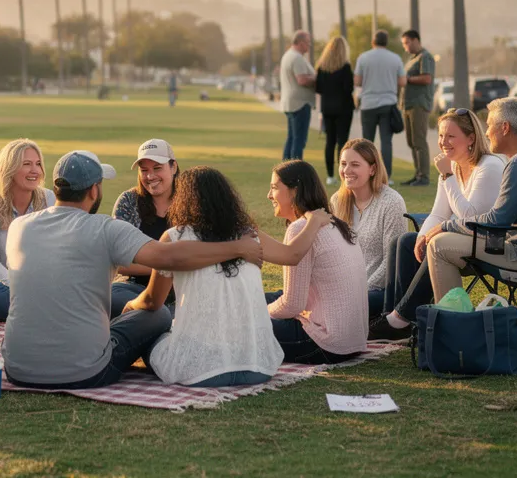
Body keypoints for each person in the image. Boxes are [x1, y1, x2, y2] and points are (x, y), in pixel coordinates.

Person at [2, 150, 264, 389]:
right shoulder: (106, 229)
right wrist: (238, 247)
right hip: (85, 371)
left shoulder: (20, 227)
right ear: (94, 190)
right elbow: (168, 258)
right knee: (158, 314)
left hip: (18, 368)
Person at [124, 167, 335, 387]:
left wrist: (131, 305)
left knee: (154, 336)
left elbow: (152, 301)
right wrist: (314, 220)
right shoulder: (249, 235)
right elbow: (291, 254)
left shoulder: (174, 236)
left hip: (202, 372)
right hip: (258, 367)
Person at [370, 100, 517, 340]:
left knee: (439, 241)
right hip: (467, 238)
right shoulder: (453, 167)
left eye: (451, 136)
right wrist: (422, 238)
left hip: (486, 243)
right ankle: (398, 318)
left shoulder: (488, 167)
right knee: (405, 241)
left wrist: (447, 176)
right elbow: (438, 213)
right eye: (441, 135)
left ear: (470, 139)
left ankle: (405, 318)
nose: (443, 142)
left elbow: (471, 217)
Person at [265, 160, 369, 363]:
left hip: (325, 344)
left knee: (242, 323)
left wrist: (260, 313)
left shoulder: (301, 228)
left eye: (275, 188)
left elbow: (292, 305)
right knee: (260, 298)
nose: (269, 195)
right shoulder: (335, 223)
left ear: (294, 191)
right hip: (353, 340)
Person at [0, 139, 55, 322]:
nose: (35, 170)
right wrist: (23, 286)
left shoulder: (49, 199)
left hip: (39, 283)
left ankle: (37, 310)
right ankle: (47, 310)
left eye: (38, 164)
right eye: (26, 164)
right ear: (9, 168)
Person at [328, 139, 408, 318]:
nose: (346, 171)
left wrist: (358, 291)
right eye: (343, 164)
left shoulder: (391, 202)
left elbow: (391, 263)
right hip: (343, 289)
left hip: (378, 291)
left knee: (333, 310)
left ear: (372, 169)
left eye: (355, 165)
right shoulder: (337, 201)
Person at [110, 139, 178, 315]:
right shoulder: (129, 201)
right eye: (144, 170)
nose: (150, 176)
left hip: (183, 289)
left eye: (157, 168)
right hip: (133, 288)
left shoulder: (191, 201)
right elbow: (118, 261)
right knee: (110, 300)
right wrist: (168, 267)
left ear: (173, 167)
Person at [353, 30, 406, 176]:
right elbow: (402, 81)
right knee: (386, 142)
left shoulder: (363, 58)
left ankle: (365, 174)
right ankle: (386, 175)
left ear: (373, 42)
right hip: (387, 104)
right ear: (386, 42)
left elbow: (357, 81)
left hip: (368, 103)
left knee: (366, 142)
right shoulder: (395, 58)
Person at [314, 36, 355, 186]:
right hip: (343, 108)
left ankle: (330, 176)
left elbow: (318, 88)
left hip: (327, 108)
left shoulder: (322, 67)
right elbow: (349, 88)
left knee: (329, 142)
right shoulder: (345, 67)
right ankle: (343, 175)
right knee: (342, 142)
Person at [400, 30, 436, 186]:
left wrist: (407, 79)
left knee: (419, 141)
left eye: (407, 42)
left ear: (416, 40)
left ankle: (424, 177)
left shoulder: (425, 57)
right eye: (403, 43)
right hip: (407, 104)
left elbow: (426, 78)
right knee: (411, 141)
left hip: (419, 104)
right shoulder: (411, 59)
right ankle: (417, 174)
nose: (405, 46)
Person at [279, 30, 317, 161]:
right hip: (299, 103)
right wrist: (317, 78)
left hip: (290, 103)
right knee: (299, 140)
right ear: (300, 43)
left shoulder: (288, 55)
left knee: (291, 138)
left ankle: (285, 168)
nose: (309, 45)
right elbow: (302, 80)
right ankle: (296, 171)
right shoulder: (297, 58)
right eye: (308, 42)